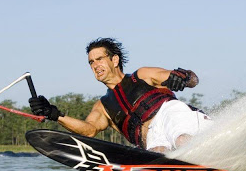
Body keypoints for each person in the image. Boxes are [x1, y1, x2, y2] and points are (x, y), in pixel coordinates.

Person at [29, 38, 211, 152]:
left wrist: (184, 77)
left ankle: (212, 155)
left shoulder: (142, 75)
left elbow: (192, 79)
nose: (95, 65)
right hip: (153, 138)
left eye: (99, 59)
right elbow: (89, 129)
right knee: (158, 153)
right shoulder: (103, 106)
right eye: (91, 62)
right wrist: (55, 115)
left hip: (171, 115)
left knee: (181, 140)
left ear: (114, 60)